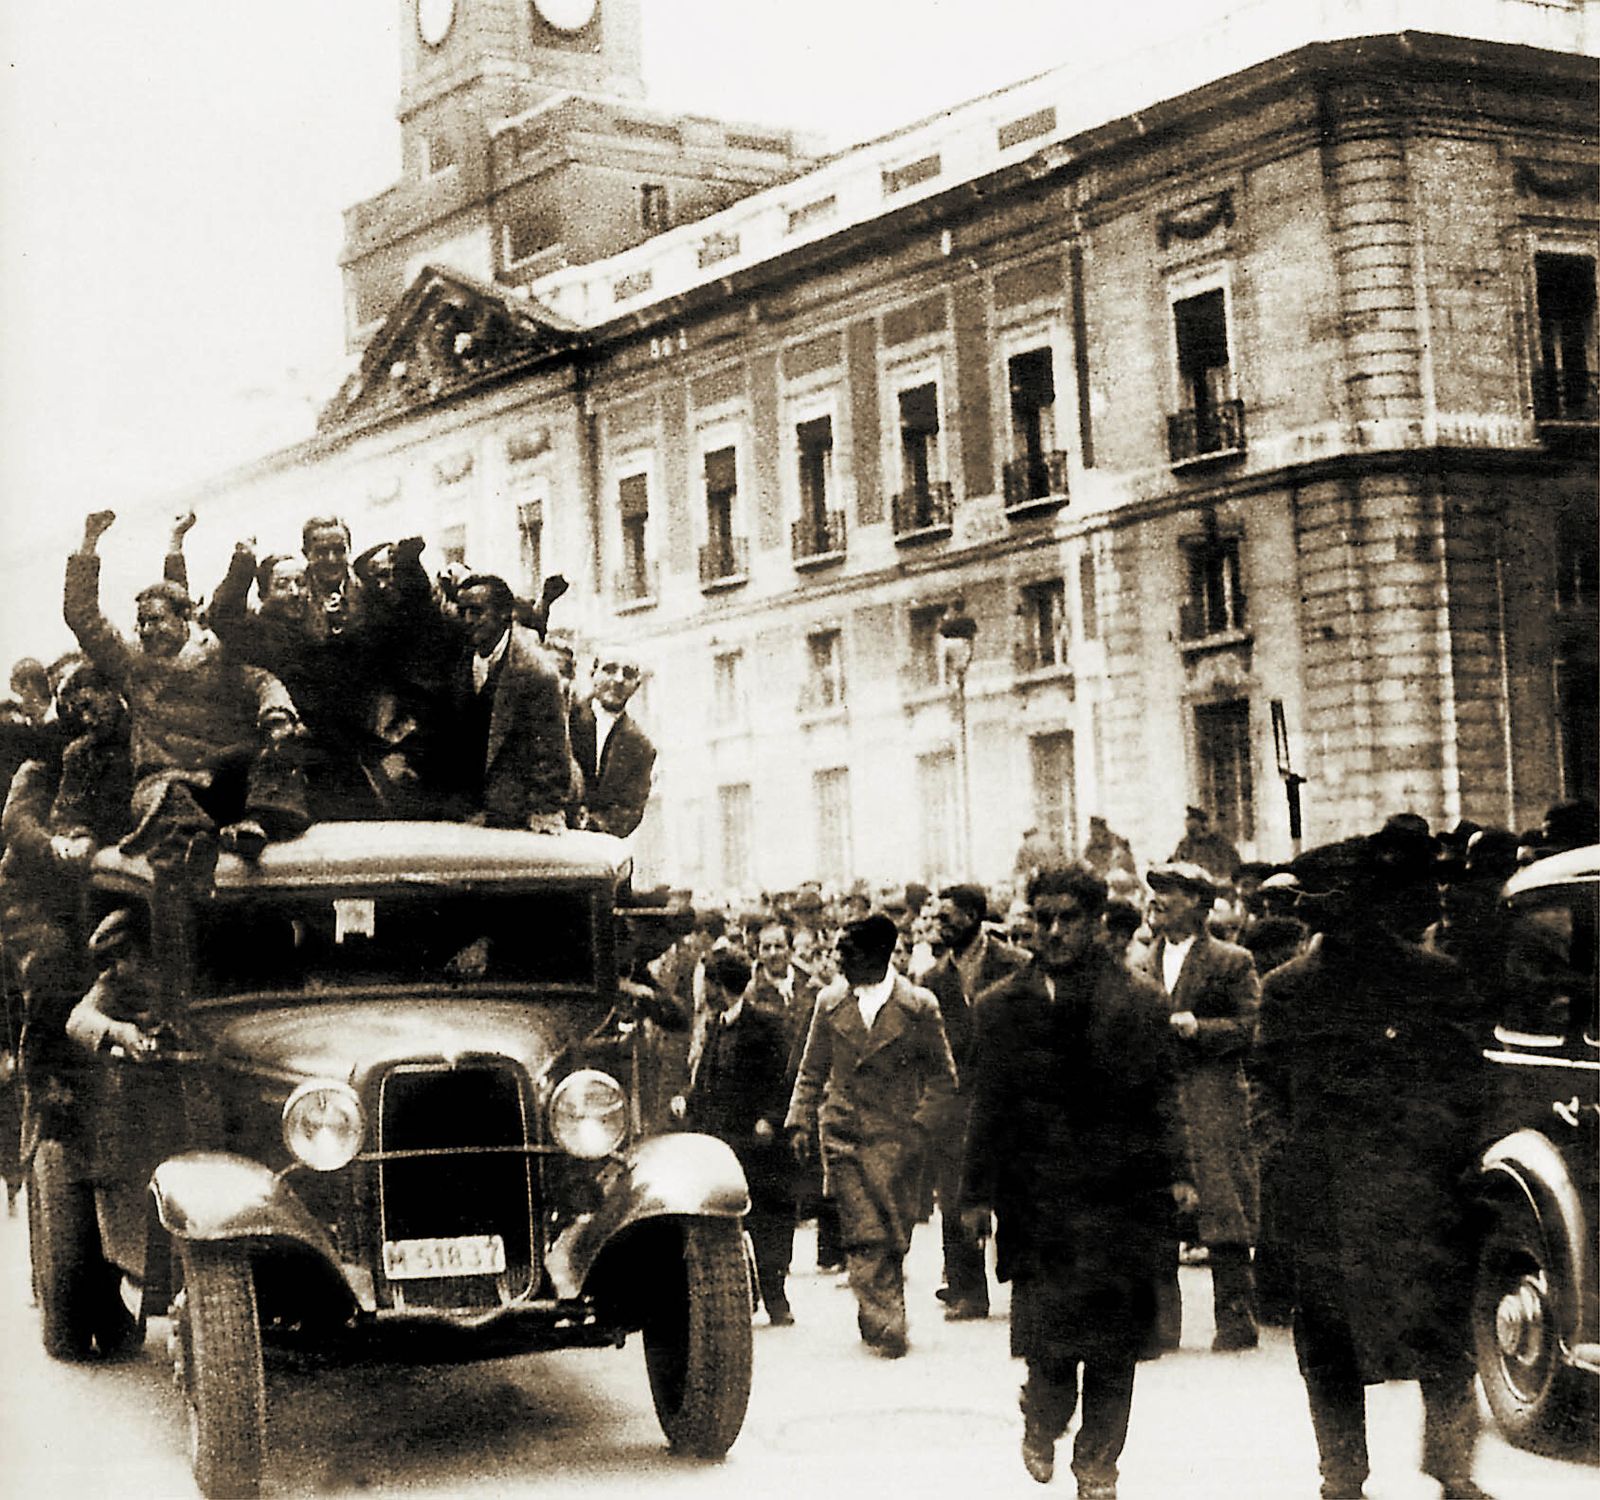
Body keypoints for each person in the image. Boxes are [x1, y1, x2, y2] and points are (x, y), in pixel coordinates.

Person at [1256, 835, 1495, 1500]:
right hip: (1326, 1197)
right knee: (1329, 1346)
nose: (1338, 918)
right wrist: (1282, 1157)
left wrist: (1443, 1157)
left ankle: (1452, 1470)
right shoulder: (1288, 990)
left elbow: (1466, 1085)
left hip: (1421, 1193)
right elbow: (1265, 1089)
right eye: (1323, 905)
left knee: (1443, 1339)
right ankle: (1342, 1476)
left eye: (1349, 902)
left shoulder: (1433, 979)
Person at [959, 864, 1195, 1494]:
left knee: (1116, 1349)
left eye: (1069, 918)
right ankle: (1042, 1419)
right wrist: (975, 1195)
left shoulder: (1141, 1001)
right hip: (1038, 1205)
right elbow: (986, 1108)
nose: (1055, 931)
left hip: (1121, 1198)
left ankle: (1098, 1465)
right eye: (1044, 919)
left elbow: (1163, 1097)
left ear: (1095, 922)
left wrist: (1180, 1174)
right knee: (1049, 1346)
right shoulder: (999, 1007)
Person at [64, 509, 308, 885]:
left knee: (273, 756)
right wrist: (89, 543)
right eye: (142, 622)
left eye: (156, 620)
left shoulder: (217, 655)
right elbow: (83, 617)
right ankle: (193, 845)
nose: (148, 630)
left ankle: (254, 824)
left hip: (224, 777)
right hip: (167, 782)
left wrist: (277, 714)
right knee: (167, 802)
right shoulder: (132, 664)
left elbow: (261, 681)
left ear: (185, 620)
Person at [785, 913, 957, 1358]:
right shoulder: (829, 1003)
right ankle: (888, 1321)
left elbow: (943, 1078)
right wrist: (800, 1120)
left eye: (847, 951)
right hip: (844, 1135)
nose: (837, 959)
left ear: (877, 955)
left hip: (900, 1139)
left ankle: (876, 1308)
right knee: (864, 1232)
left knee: (894, 1233)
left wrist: (921, 1127)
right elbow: (812, 1070)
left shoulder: (919, 1006)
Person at [1142, 861, 1261, 1352]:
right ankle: (1159, 1326)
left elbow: (1251, 1027)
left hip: (1211, 1097)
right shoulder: (1142, 961)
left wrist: (1201, 1030)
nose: (1157, 900)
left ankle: (1236, 1321)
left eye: (1168, 891)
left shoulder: (1232, 961)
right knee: (1154, 1212)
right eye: (1155, 891)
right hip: (1157, 1099)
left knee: (1222, 1209)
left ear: (1197, 902)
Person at [920, 883, 1029, 1321]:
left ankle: (1025, 1283)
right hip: (957, 1101)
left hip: (1011, 1099)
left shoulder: (1016, 966)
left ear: (973, 916)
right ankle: (967, 1289)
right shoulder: (932, 980)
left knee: (1016, 1193)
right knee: (954, 1196)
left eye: (947, 918)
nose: (940, 926)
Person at [675, 948, 796, 1325]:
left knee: (770, 1223)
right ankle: (748, 1296)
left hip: (761, 1145)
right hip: (725, 1144)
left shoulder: (769, 1024)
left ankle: (777, 1299)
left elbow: (787, 1079)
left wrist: (770, 1120)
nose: (703, 991)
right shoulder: (715, 1026)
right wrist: (686, 1100)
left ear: (719, 986)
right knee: (731, 1222)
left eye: (707, 983)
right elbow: (705, 1081)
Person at [443, 574, 571, 832]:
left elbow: (551, 753)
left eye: (477, 612)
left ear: (505, 614)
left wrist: (544, 811)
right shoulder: (457, 660)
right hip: (460, 813)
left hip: (511, 817)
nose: (467, 620)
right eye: (463, 611)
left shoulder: (537, 674)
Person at [569, 647, 656, 837]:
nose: (618, 680)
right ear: (593, 674)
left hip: (599, 842)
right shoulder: (567, 718)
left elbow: (630, 810)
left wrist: (591, 823)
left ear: (637, 685)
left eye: (628, 674)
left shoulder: (641, 746)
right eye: (609, 669)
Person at [1169, 805, 1242, 884]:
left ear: (1205, 825)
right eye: (1191, 833)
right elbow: (1177, 865)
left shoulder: (1221, 843)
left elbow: (1233, 868)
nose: (1193, 836)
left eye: (1197, 831)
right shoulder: (1185, 844)